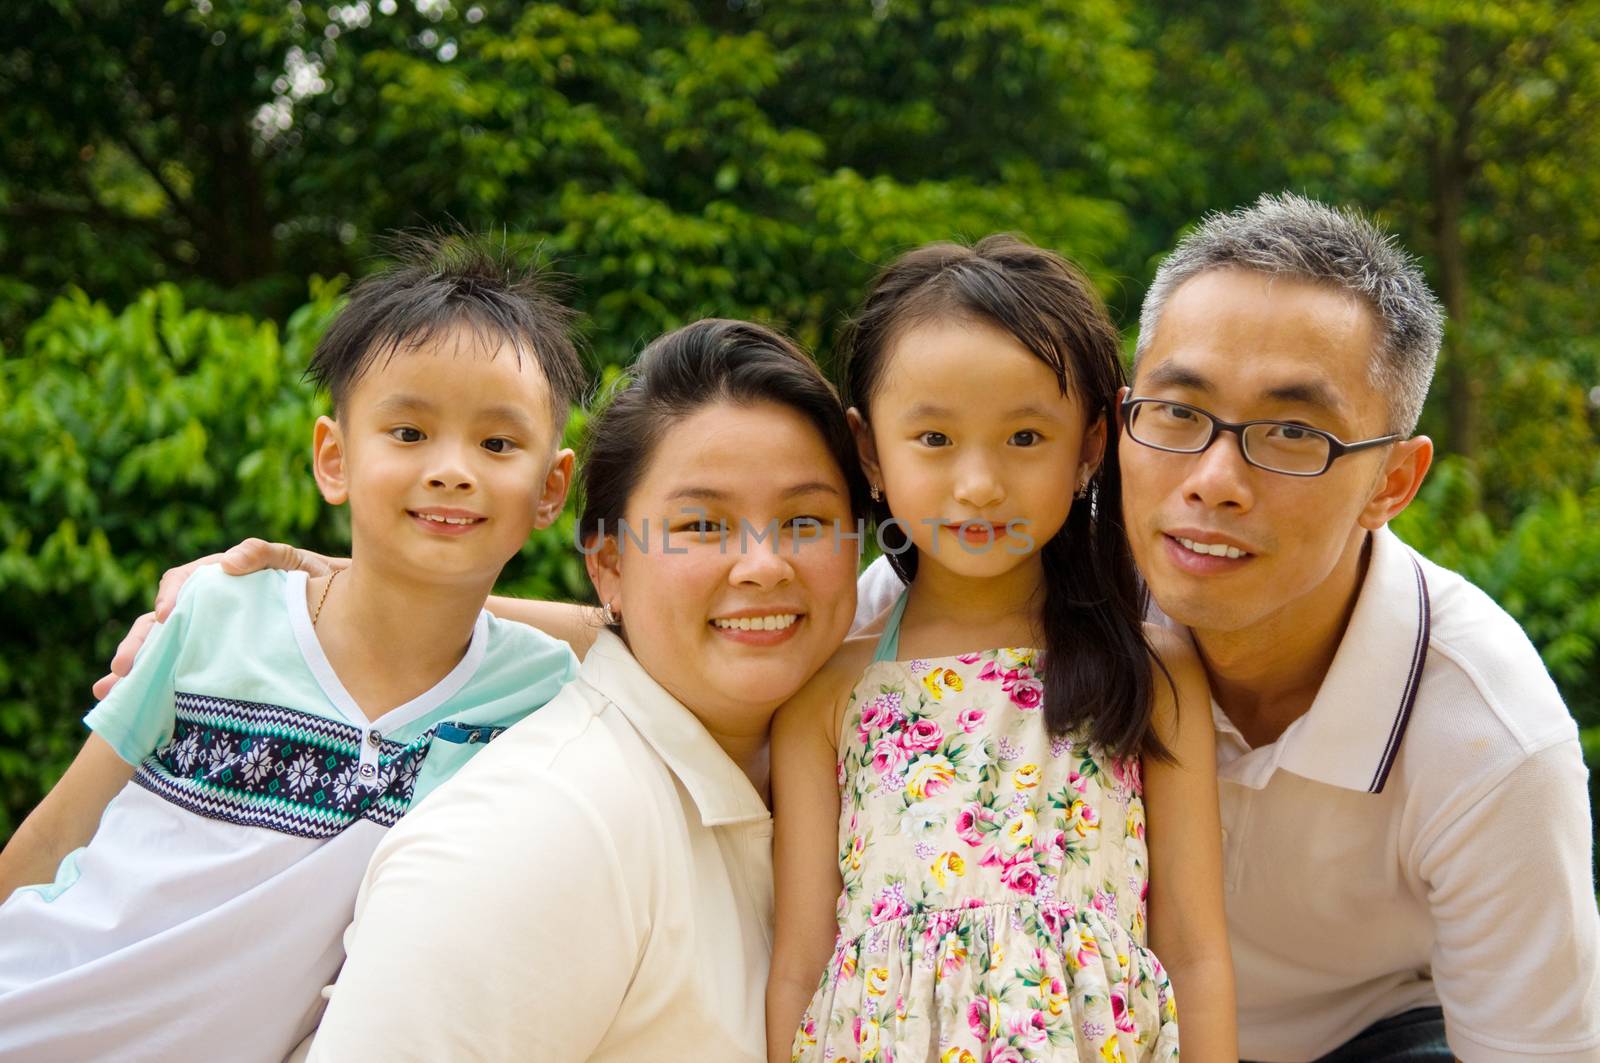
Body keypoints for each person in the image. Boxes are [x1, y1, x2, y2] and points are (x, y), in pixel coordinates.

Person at [861, 194, 1600, 1062]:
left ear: (1392, 481)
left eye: (1291, 431)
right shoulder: (1009, 570)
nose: (1214, 480)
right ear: (1118, 429)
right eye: (1177, 412)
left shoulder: (1490, 737)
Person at [0, 235, 586, 1060]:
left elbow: (648, 639)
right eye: (410, 432)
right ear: (334, 457)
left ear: (551, 487)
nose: (453, 469)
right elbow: (55, 835)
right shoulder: (220, 612)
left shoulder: (541, 693)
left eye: (497, 444)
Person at [290, 319, 867, 1058]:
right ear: (608, 564)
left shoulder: (857, 776)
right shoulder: (543, 826)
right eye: (700, 523)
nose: (763, 565)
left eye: (805, 520)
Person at [767, 235, 1237, 1063]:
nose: (978, 483)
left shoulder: (1153, 673)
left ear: (1092, 444)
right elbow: (802, 961)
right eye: (935, 440)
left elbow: (1196, 952)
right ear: (870, 448)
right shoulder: (828, 693)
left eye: (1024, 439)